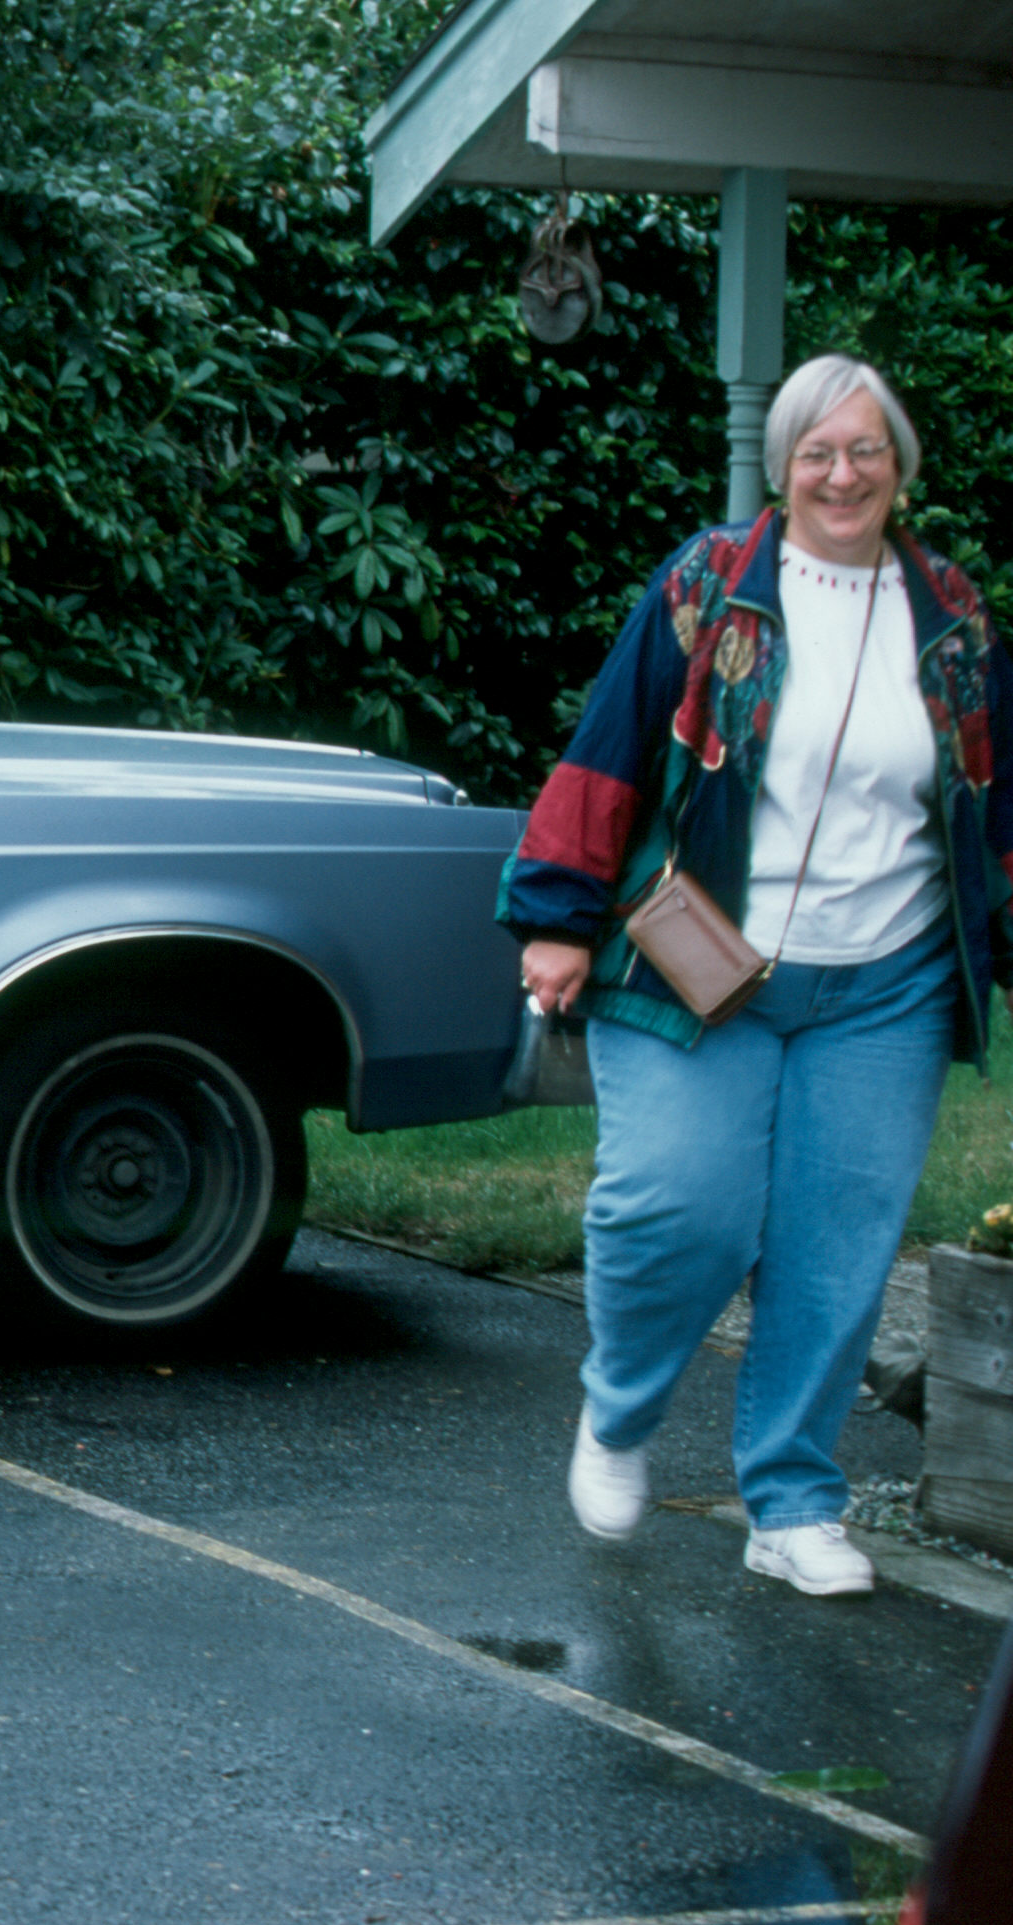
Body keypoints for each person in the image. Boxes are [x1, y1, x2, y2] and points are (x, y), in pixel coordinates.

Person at [501, 352, 1013, 1597]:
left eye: (865, 450)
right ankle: (618, 1414)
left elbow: (990, 805)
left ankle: (790, 1501)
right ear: (782, 468)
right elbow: (610, 744)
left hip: (882, 982)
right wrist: (557, 916)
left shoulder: (950, 609)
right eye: (816, 452)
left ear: (900, 463)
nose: (842, 474)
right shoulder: (707, 583)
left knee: (838, 1247)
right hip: (696, 965)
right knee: (677, 1207)